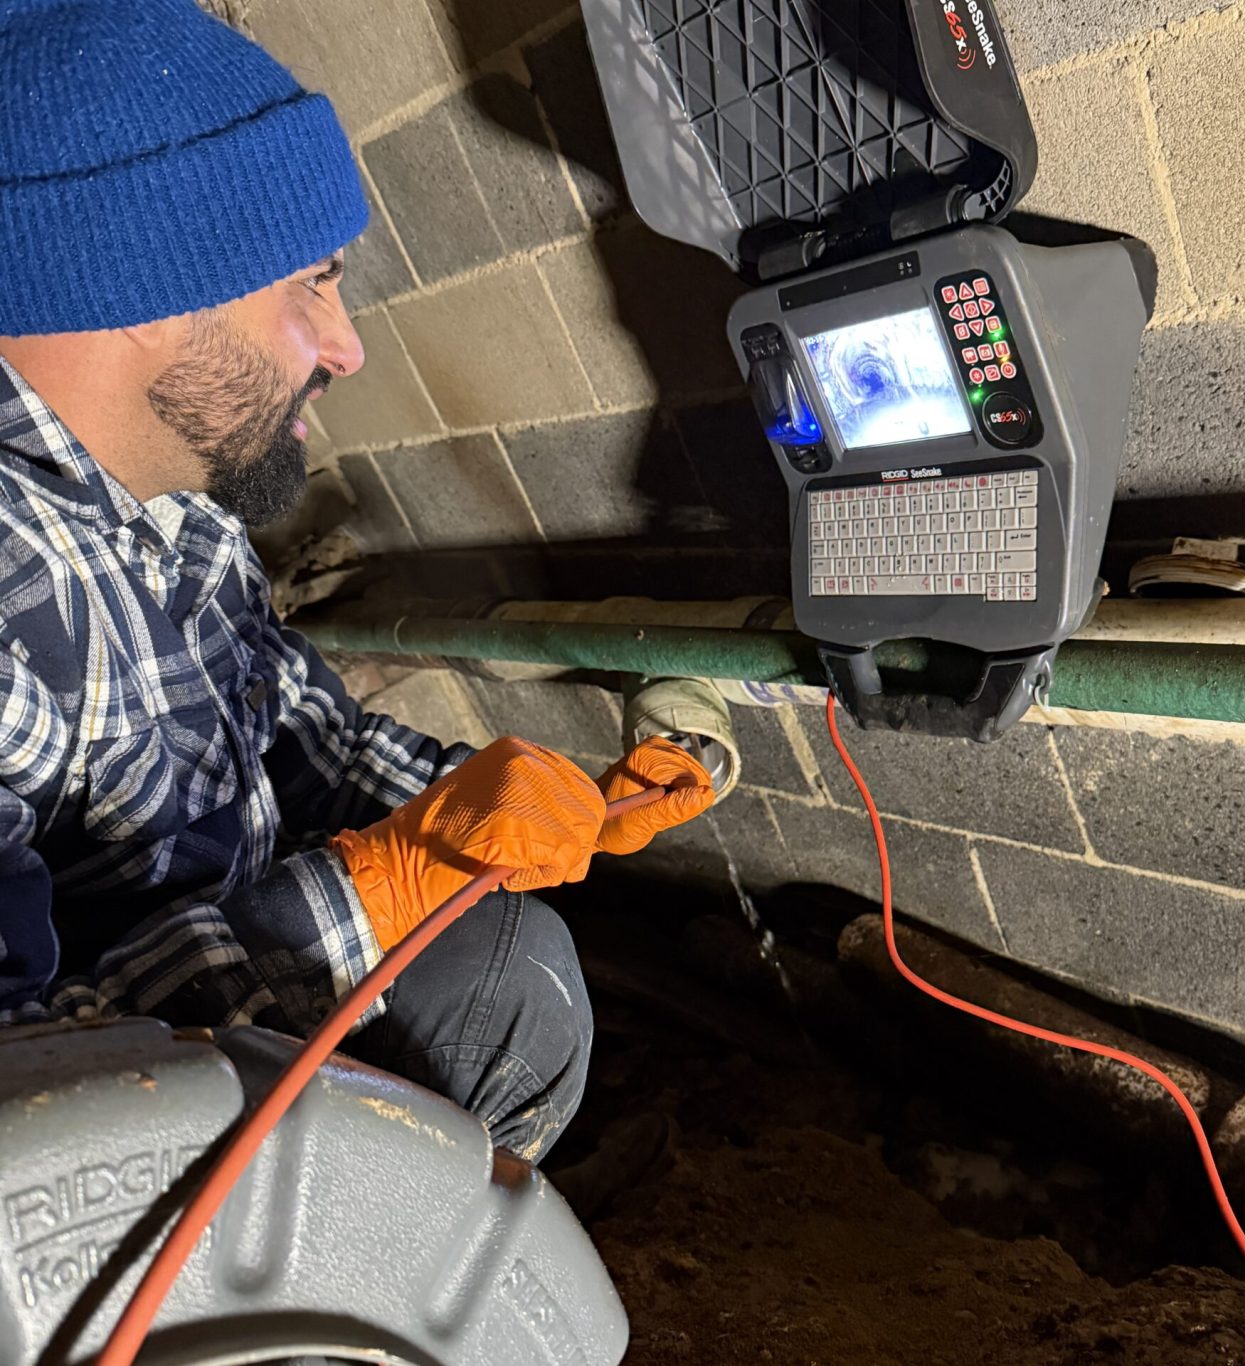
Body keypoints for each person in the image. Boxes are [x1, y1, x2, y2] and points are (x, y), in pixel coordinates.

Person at [0, 0, 713, 1164]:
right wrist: (376, 887)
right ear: (143, 288)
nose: (347, 346)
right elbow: (28, 1099)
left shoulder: (180, 509)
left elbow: (291, 725)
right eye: (310, 285)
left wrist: (480, 802)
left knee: (502, 975)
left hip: (225, 991)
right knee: (491, 990)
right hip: (102, 1175)